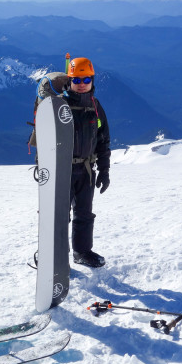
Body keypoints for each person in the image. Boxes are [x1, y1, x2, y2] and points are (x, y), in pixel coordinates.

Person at [64, 57, 111, 268]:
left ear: (92, 80)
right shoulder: (59, 105)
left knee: (84, 213)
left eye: (86, 79)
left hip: (86, 170)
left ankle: (82, 252)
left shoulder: (95, 105)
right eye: (77, 79)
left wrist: (104, 170)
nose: (81, 83)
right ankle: (56, 256)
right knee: (58, 216)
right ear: (69, 81)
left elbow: (103, 139)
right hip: (61, 171)